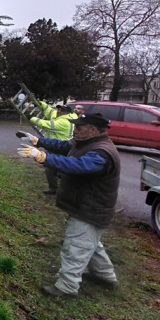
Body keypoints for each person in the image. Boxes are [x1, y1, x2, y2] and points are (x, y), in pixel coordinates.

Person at [16, 112, 121, 297]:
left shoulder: (102, 152)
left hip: (91, 208)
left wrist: (43, 158)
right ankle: (105, 276)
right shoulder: (86, 142)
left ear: (93, 129)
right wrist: (37, 141)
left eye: (79, 128)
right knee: (90, 243)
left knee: (76, 246)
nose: (75, 130)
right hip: (86, 205)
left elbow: (78, 165)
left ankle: (67, 286)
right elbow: (64, 146)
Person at [29, 104, 74, 195]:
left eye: (59, 110)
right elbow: (49, 111)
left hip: (60, 148)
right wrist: (40, 103)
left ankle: (63, 189)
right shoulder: (64, 117)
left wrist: (32, 118)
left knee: (58, 168)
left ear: (63, 112)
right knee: (50, 168)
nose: (57, 111)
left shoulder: (64, 122)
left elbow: (46, 124)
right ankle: (54, 188)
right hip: (56, 146)